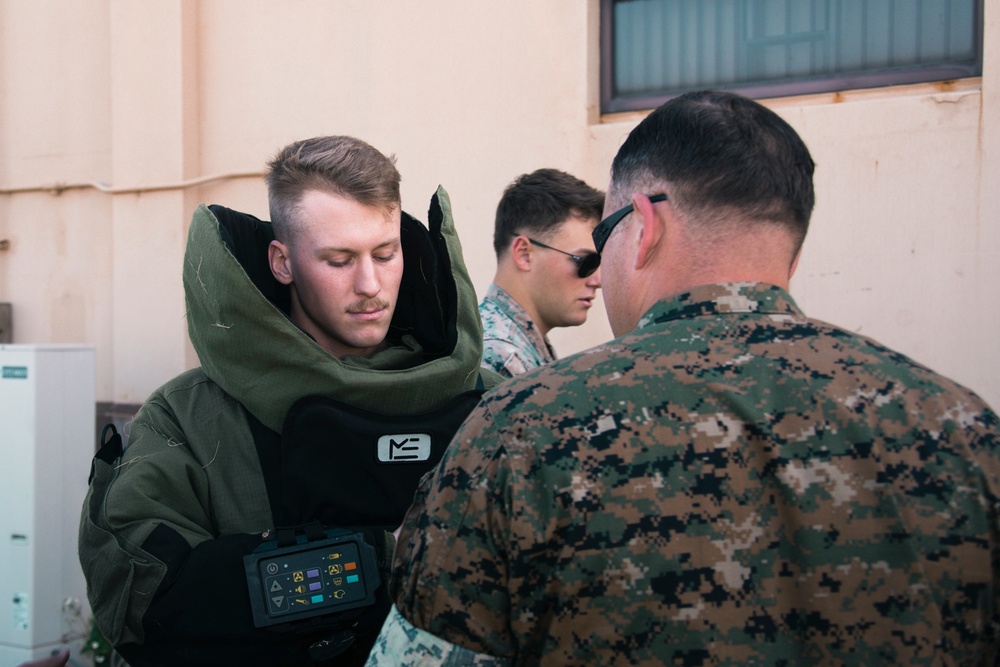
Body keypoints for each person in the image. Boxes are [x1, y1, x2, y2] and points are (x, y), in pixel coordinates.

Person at [366, 91, 1000, 665]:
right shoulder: (963, 431)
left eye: (603, 240)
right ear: (794, 252)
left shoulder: (517, 432)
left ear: (643, 229)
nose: (596, 271)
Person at [78, 136, 501, 667]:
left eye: (386, 254)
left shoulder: (488, 399)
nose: (371, 285)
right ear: (282, 261)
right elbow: (142, 594)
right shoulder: (188, 418)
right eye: (339, 260)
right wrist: (376, 559)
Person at [479, 168, 604, 378]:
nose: (597, 280)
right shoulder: (501, 358)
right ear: (524, 254)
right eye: (586, 262)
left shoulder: (516, 344)